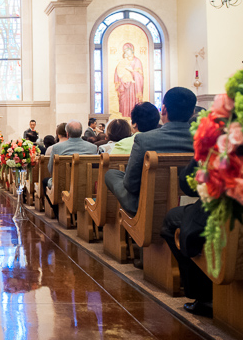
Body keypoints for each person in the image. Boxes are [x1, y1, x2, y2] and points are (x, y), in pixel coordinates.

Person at [105, 87, 196, 215]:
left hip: (146, 207)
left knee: (111, 174)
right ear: (193, 113)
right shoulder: (201, 140)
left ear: (163, 109)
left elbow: (131, 185)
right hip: (188, 203)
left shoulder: (144, 139)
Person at [160, 158, 213, 317]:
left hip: (221, 212)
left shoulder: (218, 146)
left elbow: (188, 185)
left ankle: (205, 297)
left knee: (172, 220)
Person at [44, 120, 98, 215]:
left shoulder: (57, 148)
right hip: (87, 185)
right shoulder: (93, 148)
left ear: (67, 134)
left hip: (64, 186)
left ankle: (59, 214)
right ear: (81, 132)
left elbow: (51, 169)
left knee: (45, 181)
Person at [114, 42, 144, 118]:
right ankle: (124, 116)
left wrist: (132, 72)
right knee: (124, 100)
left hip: (134, 87)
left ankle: (133, 116)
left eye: (128, 50)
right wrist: (122, 78)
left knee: (133, 101)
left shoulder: (137, 61)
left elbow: (139, 75)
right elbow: (118, 72)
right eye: (125, 51)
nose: (126, 52)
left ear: (132, 50)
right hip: (124, 85)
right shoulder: (123, 62)